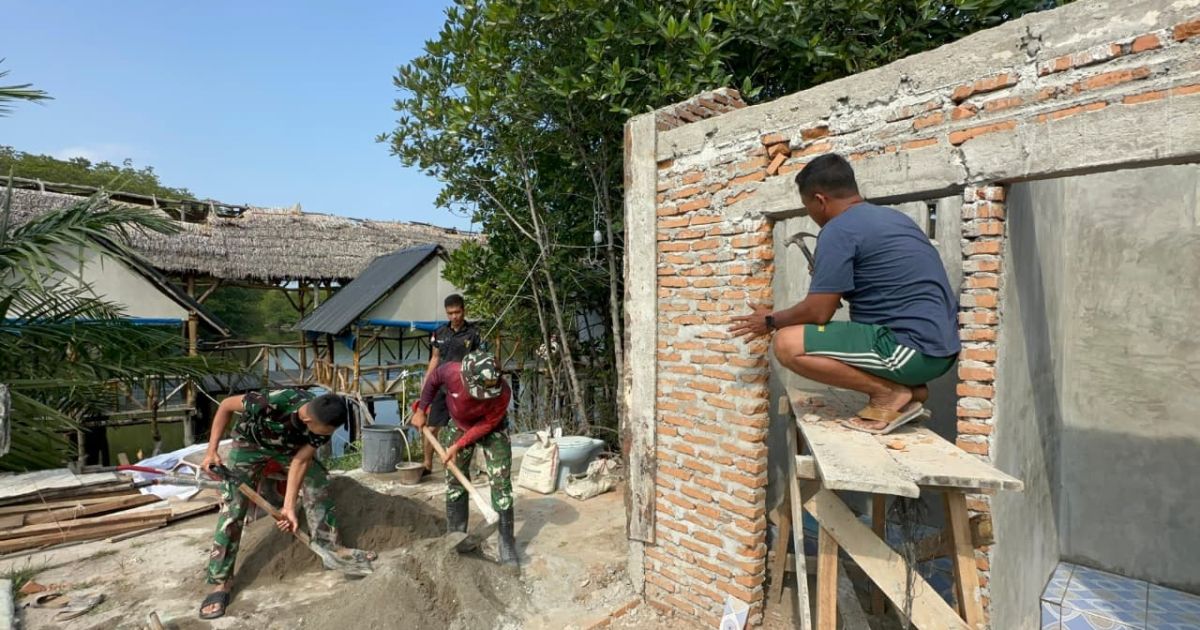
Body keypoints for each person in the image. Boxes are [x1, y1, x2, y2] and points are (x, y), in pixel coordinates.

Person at [730, 153, 960, 434]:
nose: (811, 216)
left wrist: (770, 321)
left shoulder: (838, 230)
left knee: (787, 343)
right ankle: (910, 390)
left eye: (807, 207)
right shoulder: (894, 219)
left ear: (820, 200)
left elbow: (819, 312)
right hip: (939, 350)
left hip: (911, 348)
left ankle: (887, 393)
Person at [198, 389, 375, 619]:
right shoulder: (267, 404)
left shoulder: (323, 423)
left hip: (289, 450)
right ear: (309, 420)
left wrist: (289, 507)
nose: (327, 436)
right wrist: (211, 451)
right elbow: (225, 406)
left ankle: (330, 548)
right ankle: (221, 581)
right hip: (250, 444)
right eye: (326, 431)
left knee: (317, 480)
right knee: (233, 503)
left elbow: (301, 460)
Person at [410, 350, 517, 565]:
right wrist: (422, 409)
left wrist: (457, 446)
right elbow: (432, 382)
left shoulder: (503, 392)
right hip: (459, 424)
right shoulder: (451, 371)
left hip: (493, 428)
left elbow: (486, 424)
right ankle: (455, 535)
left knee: (501, 484)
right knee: (455, 482)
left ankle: (506, 543)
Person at [420, 294, 484, 476]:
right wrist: (427, 382)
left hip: (464, 388)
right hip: (441, 387)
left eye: (457, 312)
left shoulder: (474, 333)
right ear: (446, 313)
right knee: (431, 428)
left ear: (464, 311)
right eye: (450, 313)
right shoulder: (439, 333)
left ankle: (465, 466)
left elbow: (481, 360)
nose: (454, 316)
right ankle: (427, 464)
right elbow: (435, 358)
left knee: (465, 428)